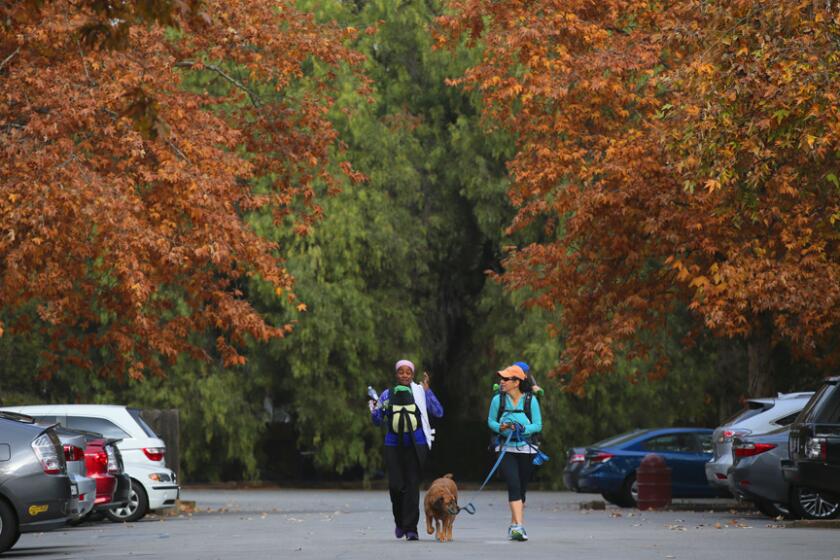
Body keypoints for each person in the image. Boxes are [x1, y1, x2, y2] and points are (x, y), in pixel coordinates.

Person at [370, 359, 444, 541]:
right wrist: (373, 409)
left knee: (412, 486)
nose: (404, 375)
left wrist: (428, 391)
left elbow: (438, 412)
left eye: (408, 372)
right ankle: (400, 522)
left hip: (416, 444)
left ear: (413, 375)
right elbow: (378, 420)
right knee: (396, 486)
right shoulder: (387, 395)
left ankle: (411, 529)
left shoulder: (419, 392)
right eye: (401, 372)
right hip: (393, 445)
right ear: (396, 375)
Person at [487, 364, 542, 542]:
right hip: (505, 448)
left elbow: (538, 425)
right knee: (513, 485)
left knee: (521, 488)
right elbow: (491, 422)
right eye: (501, 379)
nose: (501, 382)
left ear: (516, 382)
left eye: (506, 379)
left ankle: (514, 525)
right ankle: (519, 526)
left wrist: (522, 428)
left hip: (526, 449)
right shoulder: (498, 400)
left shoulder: (530, 400)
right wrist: (502, 428)